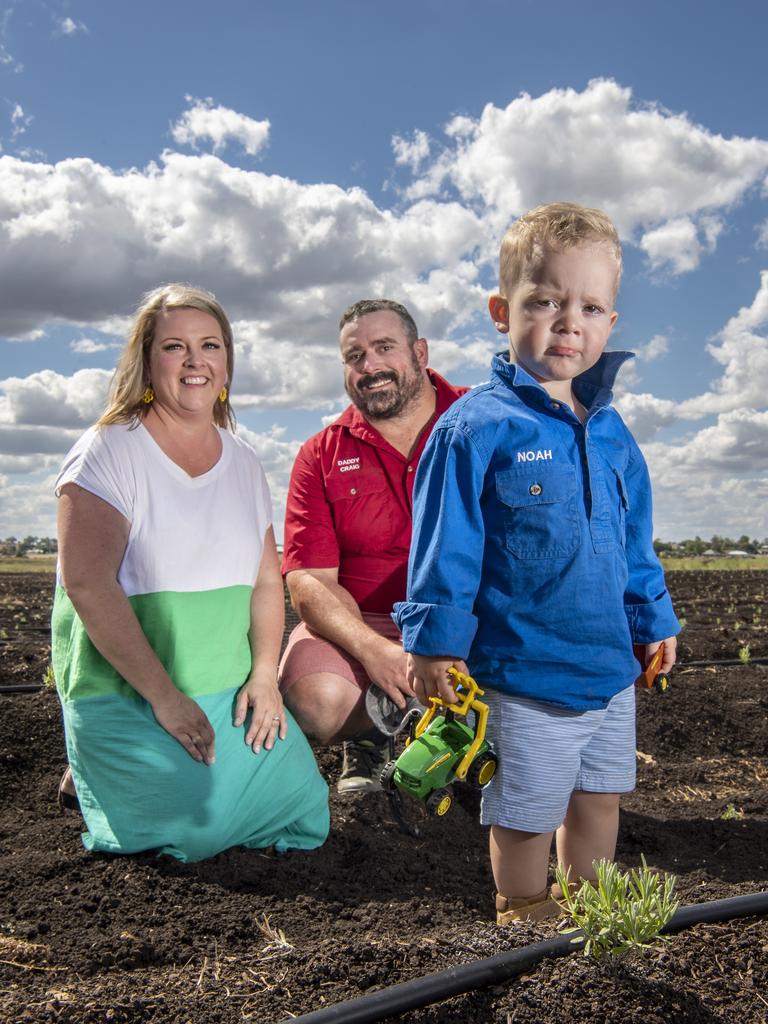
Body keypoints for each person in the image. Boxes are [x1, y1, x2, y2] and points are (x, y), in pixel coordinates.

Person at [394, 203, 680, 923]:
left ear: (611, 324)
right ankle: (522, 915)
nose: (567, 322)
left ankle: (590, 913)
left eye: (589, 306)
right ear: (502, 310)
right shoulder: (475, 429)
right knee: (524, 811)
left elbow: (635, 546)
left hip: (610, 672)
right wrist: (434, 647)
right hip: (522, 675)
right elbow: (443, 545)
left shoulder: (615, 436)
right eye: (545, 301)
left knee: (599, 797)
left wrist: (655, 623)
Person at [52, 284, 329, 862]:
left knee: (305, 811)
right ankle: (91, 771)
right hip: (131, 688)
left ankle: (116, 776)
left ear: (226, 362)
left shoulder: (245, 461)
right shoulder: (107, 451)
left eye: (210, 345)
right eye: (175, 347)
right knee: (195, 831)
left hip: (226, 682)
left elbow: (262, 582)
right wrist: (166, 699)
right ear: (148, 362)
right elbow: (87, 583)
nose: (196, 360)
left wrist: (263, 678)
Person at [279, 299, 467, 793]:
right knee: (314, 697)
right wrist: (376, 653)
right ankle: (372, 736)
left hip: (471, 621)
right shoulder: (321, 453)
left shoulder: (480, 419)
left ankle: (472, 739)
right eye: (355, 355)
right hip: (369, 624)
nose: (371, 366)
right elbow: (308, 582)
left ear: (420, 351)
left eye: (385, 347)